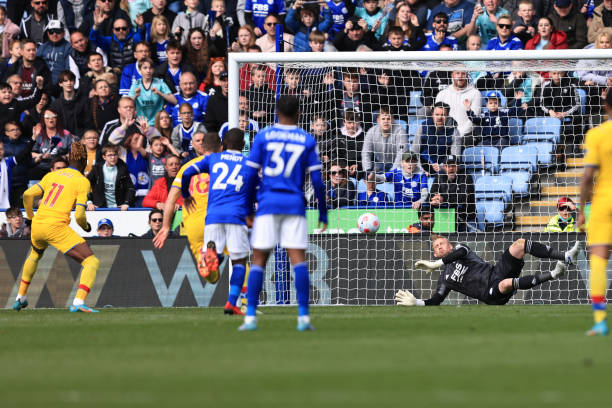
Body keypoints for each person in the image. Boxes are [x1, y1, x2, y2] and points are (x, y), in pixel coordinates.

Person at [239, 95, 327, 331]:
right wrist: (323, 212)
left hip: (267, 204)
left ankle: (250, 318)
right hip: (294, 205)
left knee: (258, 260)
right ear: (299, 113)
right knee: (298, 260)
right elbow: (317, 181)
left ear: (276, 112)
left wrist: (248, 209)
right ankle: (303, 318)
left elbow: (249, 177)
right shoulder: (307, 139)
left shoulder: (263, 136)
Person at [13, 142, 100, 313]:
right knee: (91, 261)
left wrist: (31, 217)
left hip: (38, 224)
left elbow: (27, 194)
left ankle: (20, 297)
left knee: (35, 255)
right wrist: (86, 227)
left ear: (69, 158)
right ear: (85, 160)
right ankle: (78, 301)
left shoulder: (53, 175)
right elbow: (80, 215)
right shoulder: (82, 181)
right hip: (56, 226)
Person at [395, 234, 579, 307]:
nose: (440, 247)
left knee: (519, 244)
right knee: (506, 284)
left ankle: (566, 257)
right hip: (490, 294)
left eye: (442, 243)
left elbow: (461, 251)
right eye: (436, 247)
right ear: (434, 254)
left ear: (450, 245)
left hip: (496, 271)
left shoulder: (461, 250)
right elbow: (437, 299)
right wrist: (417, 302)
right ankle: (554, 274)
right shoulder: (445, 278)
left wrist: (436, 264)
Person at [180, 128, 251, 314]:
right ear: (243, 145)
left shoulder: (213, 159)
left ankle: (213, 258)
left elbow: (187, 174)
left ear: (224, 145)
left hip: (212, 216)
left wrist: (186, 195)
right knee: (239, 261)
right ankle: (232, 302)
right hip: (236, 215)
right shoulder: (249, 163)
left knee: (217, 253)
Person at [153, 131, 219, 269]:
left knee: (208, 273)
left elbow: (170, 200)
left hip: (194, 224)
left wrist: (165, 227)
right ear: (221, 148)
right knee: (239, 261)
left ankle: (208, 258)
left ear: (202, 148)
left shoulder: (186, 168)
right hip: (219, 220)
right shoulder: (226, 165)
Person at [578, 88, 612, 336]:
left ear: (606, 106)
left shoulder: (597, 134)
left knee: (598, 259)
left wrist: (580, 209)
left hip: (604, 201)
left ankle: (600, 321)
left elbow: (588, 176)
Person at [410, 102, 461, 175]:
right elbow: (414, 153)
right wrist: (421, 171)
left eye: (443, 115)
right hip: (422, 170)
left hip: (445, 172)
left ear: (447, 116)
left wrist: (441, 167)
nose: (439, 118)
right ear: (432, 115)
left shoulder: (454, 132)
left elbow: (456, 158)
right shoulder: (422, 128)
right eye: (437, 114)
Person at [429, 155, 477, 232]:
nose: (451, 168)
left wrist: (443, 199)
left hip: (465, 219)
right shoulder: (439, 176)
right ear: (444, 167)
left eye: (454, 165)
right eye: (448, 166)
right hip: (445, 218)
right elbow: (432, 194)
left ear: (459, 166)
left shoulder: (466, 177)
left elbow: (463, 198)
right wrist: (435, 199)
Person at [128, 58, 177, 125]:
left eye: (150, 68)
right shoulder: (135, 84)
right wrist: (135, 96)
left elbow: (174, 101)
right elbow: (127, 104)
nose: (148, 71)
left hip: (158, 123)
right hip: (141, 123)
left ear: (153, 70)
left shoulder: (160, 83)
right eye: (145, 68)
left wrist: (160, 93)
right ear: (139, 70)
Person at [86, 144, 136, 210]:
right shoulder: (97, 169)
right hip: (100, 207)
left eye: (115, 155)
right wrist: (89, 202)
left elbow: (131, 188)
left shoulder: (123, 168)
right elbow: (85, 185)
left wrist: (126, 203)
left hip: (119, 207)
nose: (113, 157)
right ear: (104, 157)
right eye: (110, 155)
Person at [435, 70, 481, 139]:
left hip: (467, 135)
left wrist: (458, 134)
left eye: (463, 73)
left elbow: (474, 119)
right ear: (452, 75)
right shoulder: (442, 94)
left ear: (467, 76)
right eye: (457, 73)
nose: (460, 76)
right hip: (445, 134)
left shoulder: (475, 93)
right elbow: (436, 118)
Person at [362, 106, 408, 175]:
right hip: (379, 164)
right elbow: (366, 152)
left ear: (392, 120)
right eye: (383, 119)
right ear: (378, 120)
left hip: (398, 165)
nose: (386, 121)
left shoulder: (400, 131)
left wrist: (392, 172)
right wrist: (367, 170)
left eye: (388, 119)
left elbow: (401, 154)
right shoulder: (371, 131)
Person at [50, 70, 88, 138]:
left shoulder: (84, 101)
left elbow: (88, 123)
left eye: (71, 80)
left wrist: (80, 137)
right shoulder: (55, 104)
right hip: (62, 137)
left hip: (81, 138)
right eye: (65, 81)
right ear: (60, 84)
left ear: (74, 82)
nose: (69, 83)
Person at [38, 20, 72, 85]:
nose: (54, 34)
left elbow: (68, 69)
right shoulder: (43, 47)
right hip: (42, 82)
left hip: (60, 84)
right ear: (48, 33)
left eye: (58, 31)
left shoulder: (68, 47)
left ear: (63, 33)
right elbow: (35, 64)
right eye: (51, 31)